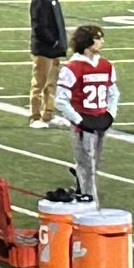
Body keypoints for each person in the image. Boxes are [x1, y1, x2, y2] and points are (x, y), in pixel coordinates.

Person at [54, 24, 118, 202]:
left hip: (101, 120)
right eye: (98, 38)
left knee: (93, 164)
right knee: (87, 167)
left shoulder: (106, 65)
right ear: (87, 41)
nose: (102, 41)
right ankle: (90, 202)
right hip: (84, 123)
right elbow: (60, 99)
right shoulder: (72, 67)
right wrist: (78, 119)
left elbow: (113, 93)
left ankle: (81, 188)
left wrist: (110, 114)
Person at [29, 0, 70, 129]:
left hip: (53, 48)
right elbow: (38, 25)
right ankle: (35, 117)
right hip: (44, 48)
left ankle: (48, 114)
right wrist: (53, 41)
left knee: (51, 84)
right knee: (39, 83)